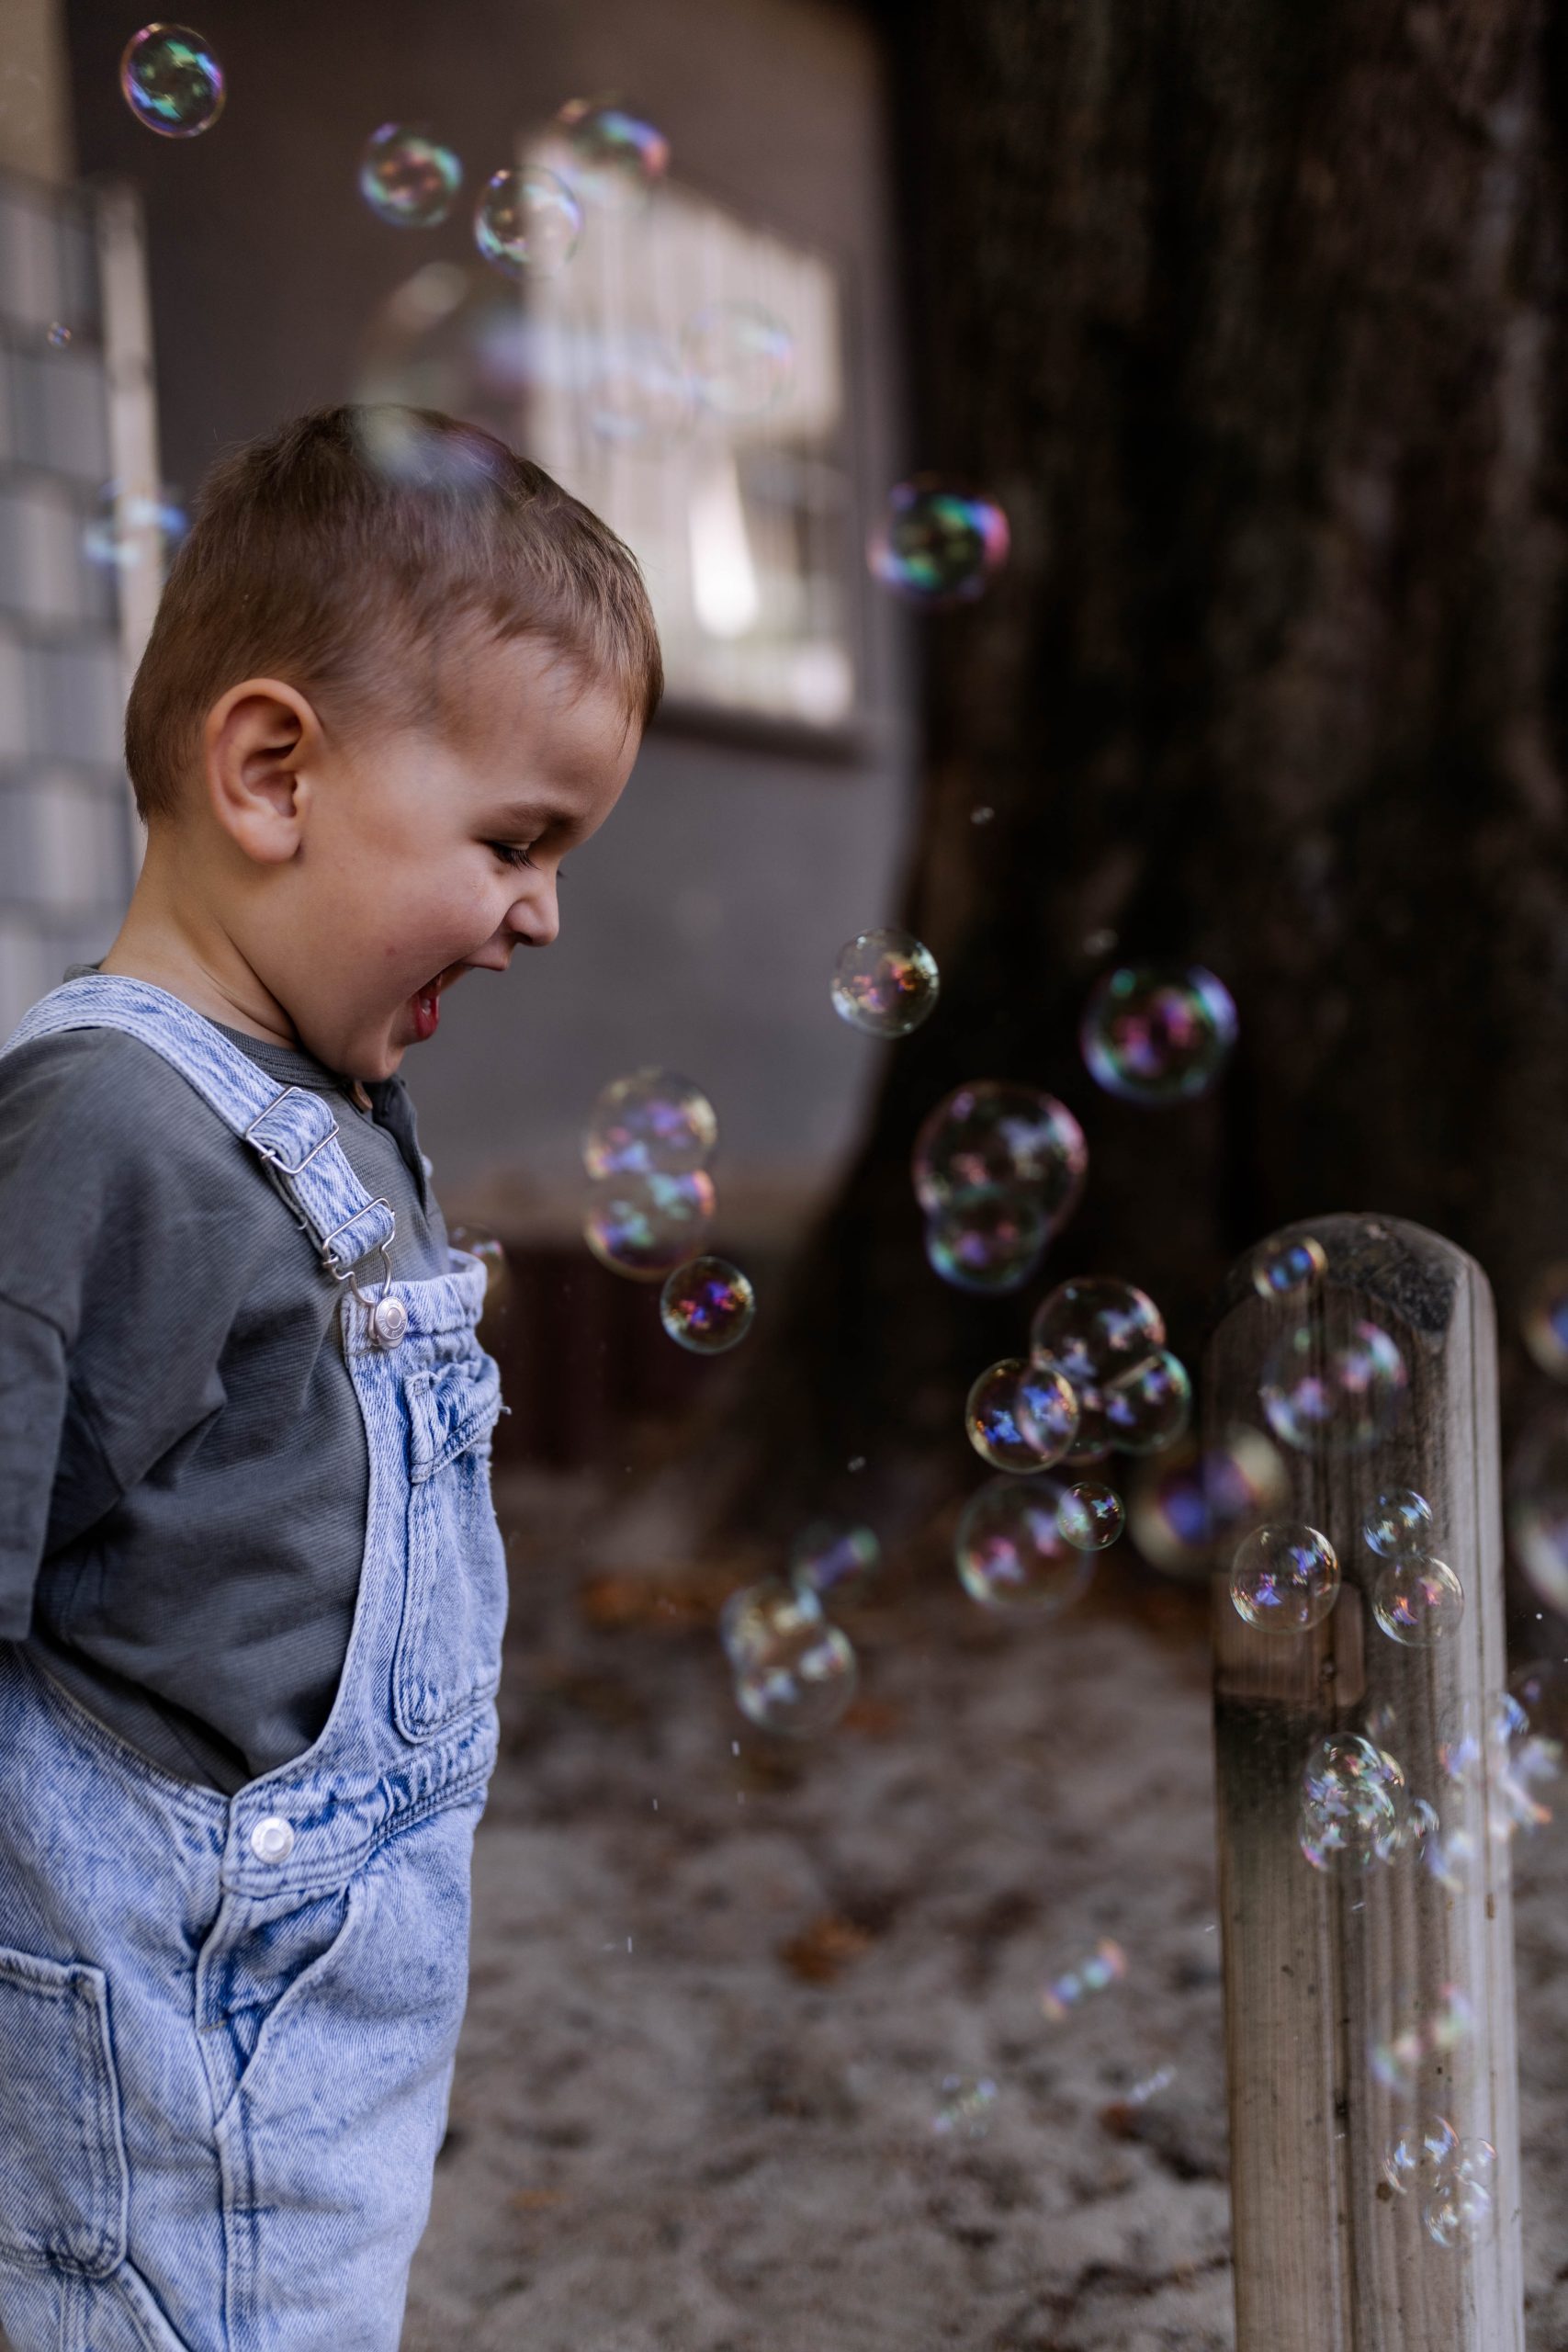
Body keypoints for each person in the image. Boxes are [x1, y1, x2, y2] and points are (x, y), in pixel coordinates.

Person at [0, 405, 659, 2351]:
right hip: (152, 2103)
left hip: (305, 2067)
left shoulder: (329, 1100)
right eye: (512, 840)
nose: (541, 911)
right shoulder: (107, 1136)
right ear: (274, 770)